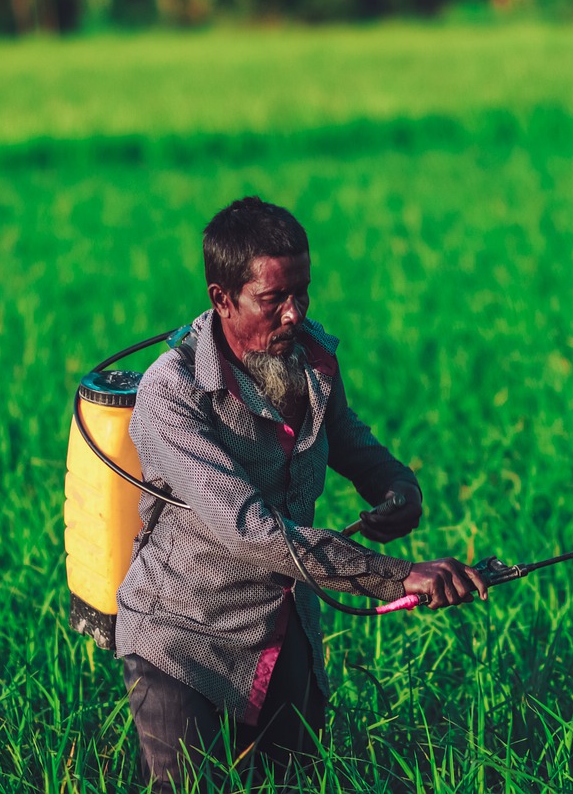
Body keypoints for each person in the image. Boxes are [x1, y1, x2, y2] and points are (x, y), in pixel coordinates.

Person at [114, 196, 487, 790]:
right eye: (273, 301)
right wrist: (399, 576)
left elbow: (343, 435)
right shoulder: (172, 394)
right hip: (184, 637)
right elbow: (249, 530)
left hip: (284, 628)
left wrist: (394, 482)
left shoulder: (310, 354)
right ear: (221, 299)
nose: (294, 314)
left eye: (302, 292)